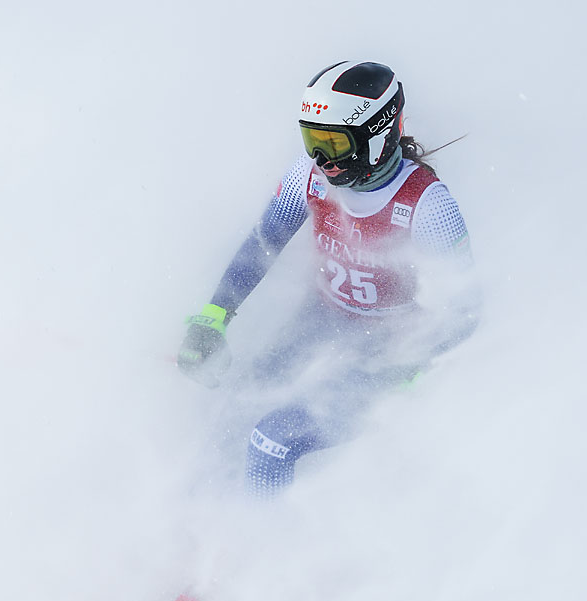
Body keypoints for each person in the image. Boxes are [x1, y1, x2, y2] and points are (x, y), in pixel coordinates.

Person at [177, 60, 480, 499]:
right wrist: (212, 318)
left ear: (375, 137)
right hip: (321, 321)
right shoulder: (309, 174)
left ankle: (262, 553)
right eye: (312, 140)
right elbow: (264, 242)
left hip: (385, 348)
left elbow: (465, 312)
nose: (321, 160)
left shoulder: (427, 205)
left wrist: (406, 370)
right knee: (234, 409)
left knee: (273, 440)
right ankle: (203, 532)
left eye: (333, 144)